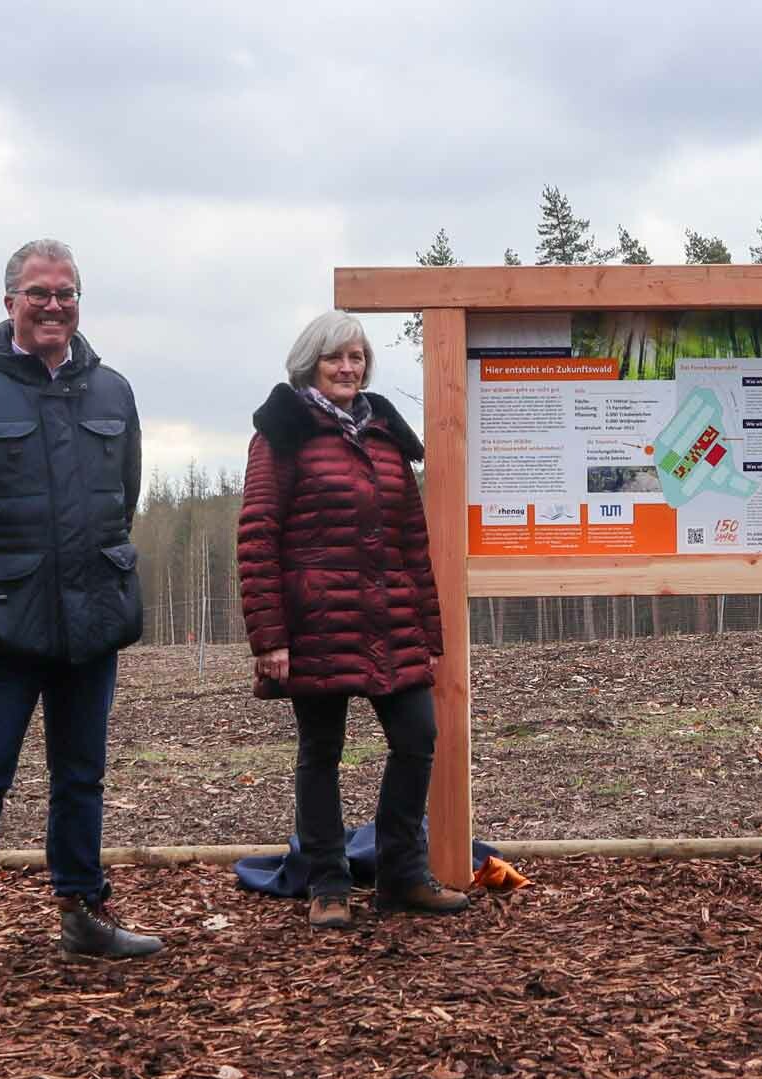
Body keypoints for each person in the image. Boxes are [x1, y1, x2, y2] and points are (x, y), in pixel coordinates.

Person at [0, 239, 160, 989]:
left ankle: (83, 911)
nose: (53, 305)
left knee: (81, 774)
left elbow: (124, 496)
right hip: (0, 626)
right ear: (9, 301)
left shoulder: (113, 391)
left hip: (92, 618)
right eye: (38, 293)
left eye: (66, 293)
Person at [237, 310, 467, 930]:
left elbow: (412, 543)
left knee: (417, 738)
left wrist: (428, 630)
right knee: (321, 752)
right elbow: (258, 536)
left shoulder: (387, 436)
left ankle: (402, 874)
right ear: (309, 364)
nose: (347, 368)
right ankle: (328, 883)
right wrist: (269, 637)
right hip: (316, 622)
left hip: (392, 620)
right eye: (334, 357)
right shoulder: (282, 433)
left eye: (356, 357)